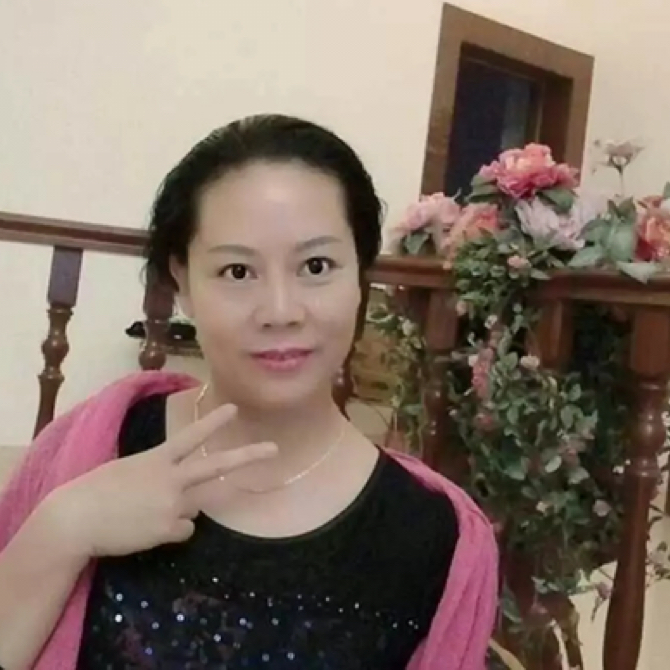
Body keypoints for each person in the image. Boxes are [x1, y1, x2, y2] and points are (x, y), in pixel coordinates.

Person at [0, 115, 498, 670]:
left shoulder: (433, 535)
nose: (280, 312)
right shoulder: (97, 447)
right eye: (237, 271)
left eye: (316, 266)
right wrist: (65, 528)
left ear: (361, 276)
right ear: (183, 282)